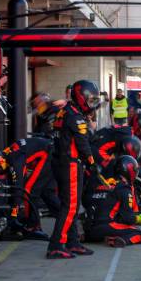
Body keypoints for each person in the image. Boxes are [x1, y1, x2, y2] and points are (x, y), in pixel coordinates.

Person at [48, 80, 102, 259]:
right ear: (81, 97)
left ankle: (72, 242)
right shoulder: (75, 116)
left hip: (61, 161)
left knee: (71, 205)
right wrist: (93, 163)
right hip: (70, 163)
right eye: (91, 99)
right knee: (70, 206)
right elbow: (83, 144)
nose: (92, 104)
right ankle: (56, 245)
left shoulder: (64, 111)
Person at [0, 137, 60, 240]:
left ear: (1, 162)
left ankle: (33, 226)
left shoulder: (14, 160)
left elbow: (18, 189)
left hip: (48, 154)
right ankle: (68, 222)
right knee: (47, 193)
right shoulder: (9, 153)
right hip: (52, 153)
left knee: (29, 190)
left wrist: (13, 215)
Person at [86, 156, 141, 247]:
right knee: (140, 234)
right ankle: (118, 240)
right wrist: (140, 218)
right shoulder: (125, 190)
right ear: (129, 171)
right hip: (106, 226)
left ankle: (86, 237)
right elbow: (128, 219)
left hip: (89, 227)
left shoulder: (104, 183)